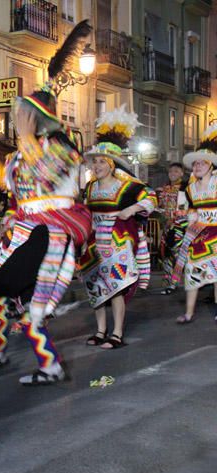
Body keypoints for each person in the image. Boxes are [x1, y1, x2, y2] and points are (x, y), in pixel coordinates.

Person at [0, 20, 93, 386]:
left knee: (27, 306)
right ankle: (0, 352)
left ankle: (25, 360)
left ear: (39, 121)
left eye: (24, 115)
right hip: (27, 232)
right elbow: (9, 183)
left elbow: (47, 176)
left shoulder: (62, 151)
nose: (17, 119)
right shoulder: (23, 156)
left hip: (51, 234)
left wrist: (21, 139)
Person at [78, 106, 157, 349]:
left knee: (116, 288)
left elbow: (151, 198)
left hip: (119, 240)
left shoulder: (129, 186)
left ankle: (117, 333)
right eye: (95, 161)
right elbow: (86, 214)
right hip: (94, 243)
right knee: (95, 287)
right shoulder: (90, 187)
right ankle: (101, 330)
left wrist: (132, 210)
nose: (97, 165)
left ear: (112, 164)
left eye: (102, 161)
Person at [171, 123, 217, 323]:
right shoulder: (190, 189)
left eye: (202, 163)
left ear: (211, 166)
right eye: (196, 164)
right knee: (191, 270)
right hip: (199, 234)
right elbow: (190, 209)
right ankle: (189, 313)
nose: (198, 166)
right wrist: (190, 217)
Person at [156, 162, 188, 294]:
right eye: (170, 171)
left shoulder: (186, 189)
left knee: (180, 256)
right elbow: (161, 207)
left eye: (176, 171)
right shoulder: (164, 189)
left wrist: (175, 219)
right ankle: (170, 284)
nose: (172, 173)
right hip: (167, 228)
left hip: (181, 227)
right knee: (167, 255)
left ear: (181, 173)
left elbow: (188, 209)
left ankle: (189, 281)